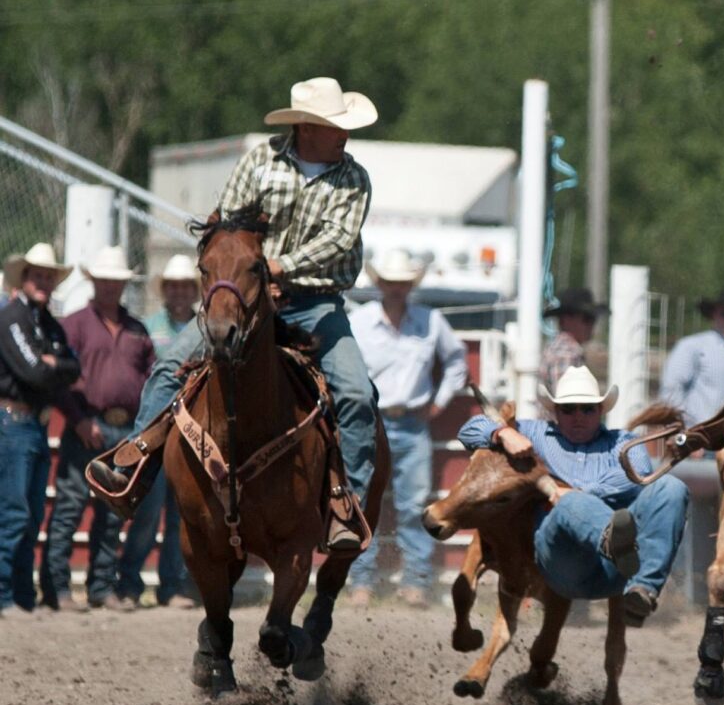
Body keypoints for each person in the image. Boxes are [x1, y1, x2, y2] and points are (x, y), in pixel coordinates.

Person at [87, 76, 379, 552]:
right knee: (168, 367)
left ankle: (350, 507)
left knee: (356, 393)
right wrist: (245, 269)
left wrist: (281, 265)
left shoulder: (353, 177)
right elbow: (228, 223)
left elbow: (337, 240)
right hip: (244, 296)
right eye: (336, 126)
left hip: (314, 301)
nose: (345, 134)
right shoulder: (260, 161)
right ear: (308, 127)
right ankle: (133, 468)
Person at [458, 366, 689, 627]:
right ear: (556, 412)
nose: (578, 416)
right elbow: (468, 430)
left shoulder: (623, 442)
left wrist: (576, 490)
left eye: (587, 408)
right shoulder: (533, 433)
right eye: (568, 409)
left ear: (600, 410)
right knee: (572, 503)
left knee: (672, 487)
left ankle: (642, 592)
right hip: (560, 559)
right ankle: (613, 540)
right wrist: (502, 433)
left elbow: (637, 475)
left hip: (616, 568)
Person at [348, 249, 468, 606]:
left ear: (408, 286)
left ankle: (413, 580)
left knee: (413, 504)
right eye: (391, 282)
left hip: (413, 421)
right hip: (372, 420)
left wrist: (439, 402)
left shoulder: (430, 321)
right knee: (362, 500)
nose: (397, 288)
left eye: (402, 283)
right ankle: (362, 581)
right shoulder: (361, 322)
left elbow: (457, 361)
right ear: (380, 283)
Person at [39, 246, 155, 611]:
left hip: (124, 432)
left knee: (111, 515)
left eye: (116, 282)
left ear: (123, 285)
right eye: (105, 280)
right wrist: (79, 420)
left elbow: (152, 381)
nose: (110, 286)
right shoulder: (74, 324)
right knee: (70, 509)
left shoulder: (137, 330)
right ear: (95, 282)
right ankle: (56, 588)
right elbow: (58, 379)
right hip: (86, 424)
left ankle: (100, 587)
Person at [659, 287, 724, 608]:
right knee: (688, 518)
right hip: (700, 448)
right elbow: (671, 394)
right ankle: (681, 592)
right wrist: (687, 435)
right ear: (714, 315)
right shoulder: (693, 349)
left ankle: (713, 595)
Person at [0, 244, 80, 617]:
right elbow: (36, 371)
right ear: (26, 278)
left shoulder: (45, 324)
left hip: (29, 424)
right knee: (15, 512)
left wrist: (53, 363)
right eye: (39, 275)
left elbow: (72, 368)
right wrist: (52, 363)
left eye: (49, 276)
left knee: (30, 514)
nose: (45, 282)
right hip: (13, 423)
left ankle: (21, 595)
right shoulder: (13, 318)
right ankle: (6, 594)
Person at [116, 254, 199, 609]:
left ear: (195, 290)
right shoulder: (147, 327)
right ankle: (130, 583)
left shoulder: (207, 327)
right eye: (174, 286)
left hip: (192, 435)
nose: (179, 292)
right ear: (165, 290)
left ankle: (172, 586)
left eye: (185, 286)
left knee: (182, 513)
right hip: (156, 431)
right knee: (148, 513)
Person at [538, 287, 608, 397]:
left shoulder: (563, 349)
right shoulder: (566, 354)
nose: (592, 325)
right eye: (587, 318)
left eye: (592, 319)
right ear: (566, 319)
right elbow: (568, 401)